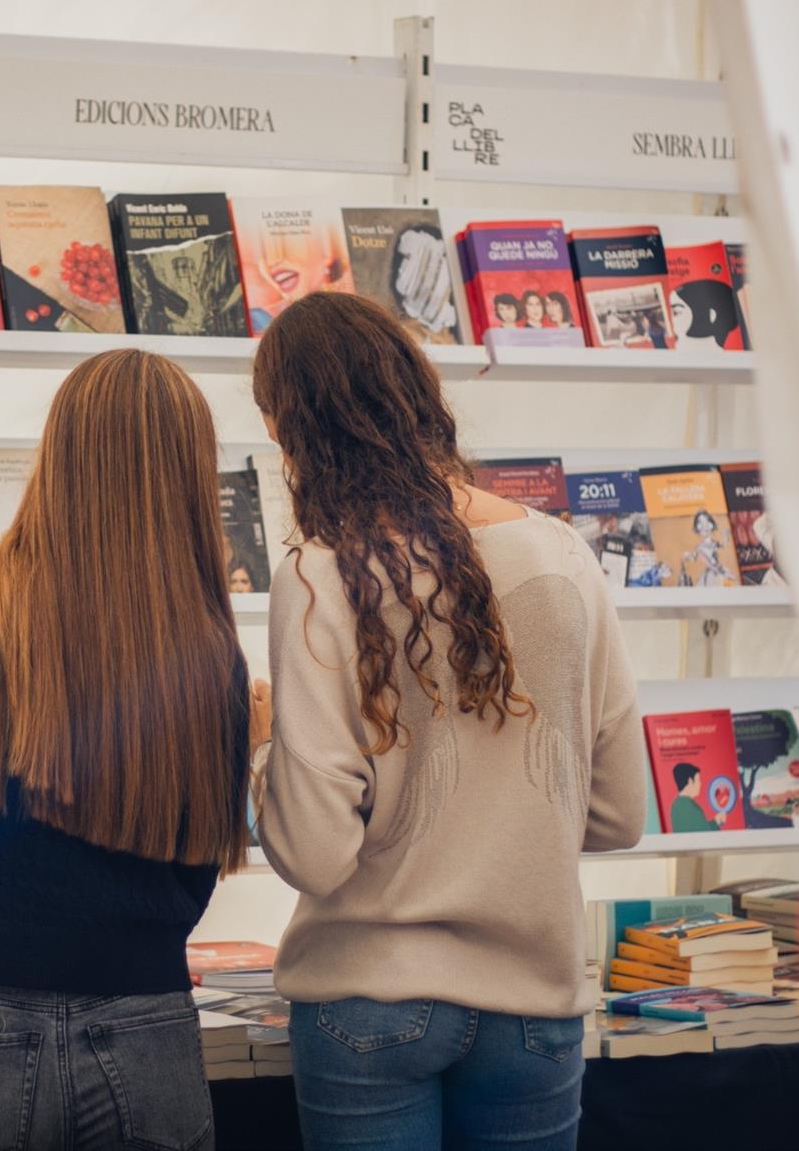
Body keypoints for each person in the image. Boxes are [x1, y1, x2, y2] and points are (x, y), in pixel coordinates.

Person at [248, 291, 643, 1151]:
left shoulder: (319, 574)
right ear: (418, 394)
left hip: (369, 998)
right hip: (535, 1005)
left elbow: (315, 854)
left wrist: (264, 745)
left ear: (293, 430)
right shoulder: (564, 554)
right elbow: (618, 816)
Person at [0, 348, 248, 1151]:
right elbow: (197, 857)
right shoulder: (207, 644)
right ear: (192, 476)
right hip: (149, 1026)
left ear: (57, 453)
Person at [665, 762, 725, 831]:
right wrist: (716, 823)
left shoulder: (676, 805)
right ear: (690, 781)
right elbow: (704, 833)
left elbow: (698, 828)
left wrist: (716, 821)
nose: (700, 784)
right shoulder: (690, 806)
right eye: (698, 780)